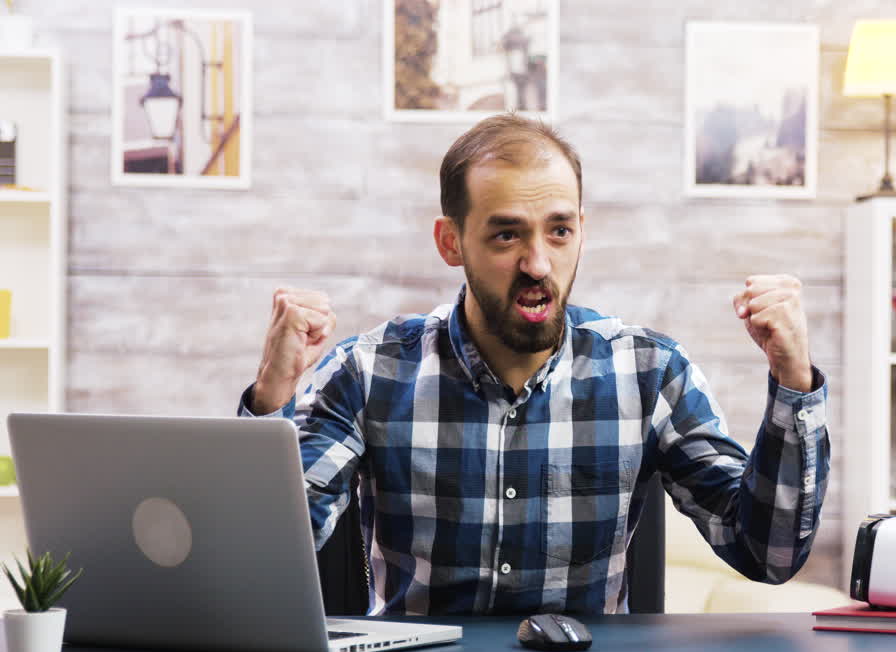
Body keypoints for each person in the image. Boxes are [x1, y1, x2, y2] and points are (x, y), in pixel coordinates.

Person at [239, 114, 830, 616]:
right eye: (506, 236)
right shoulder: (369, 374)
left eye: (559, 231)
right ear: (451, 243)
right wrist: (272, 398)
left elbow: (768, 554)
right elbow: (262, 560)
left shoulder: (650, 373)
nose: (538, 264)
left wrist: (794, 381)